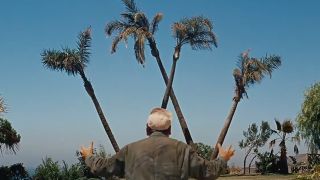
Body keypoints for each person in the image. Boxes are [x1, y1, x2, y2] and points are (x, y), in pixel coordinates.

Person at [80, 107, 235, 180]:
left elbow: (104, 168)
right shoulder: (182, 149)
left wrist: (89, 156)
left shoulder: (130, 150)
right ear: (169, 129)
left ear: (147, 127)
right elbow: (207, 172)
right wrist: (223, 158)